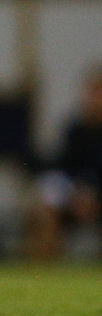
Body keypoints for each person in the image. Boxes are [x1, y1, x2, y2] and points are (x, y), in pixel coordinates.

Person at [31, 67, 102, 259]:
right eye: (93, 92)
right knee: (49, 193)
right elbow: (64, 166)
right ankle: (43, 264)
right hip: (77, 191)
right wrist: (79, 193)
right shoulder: (75, 129)